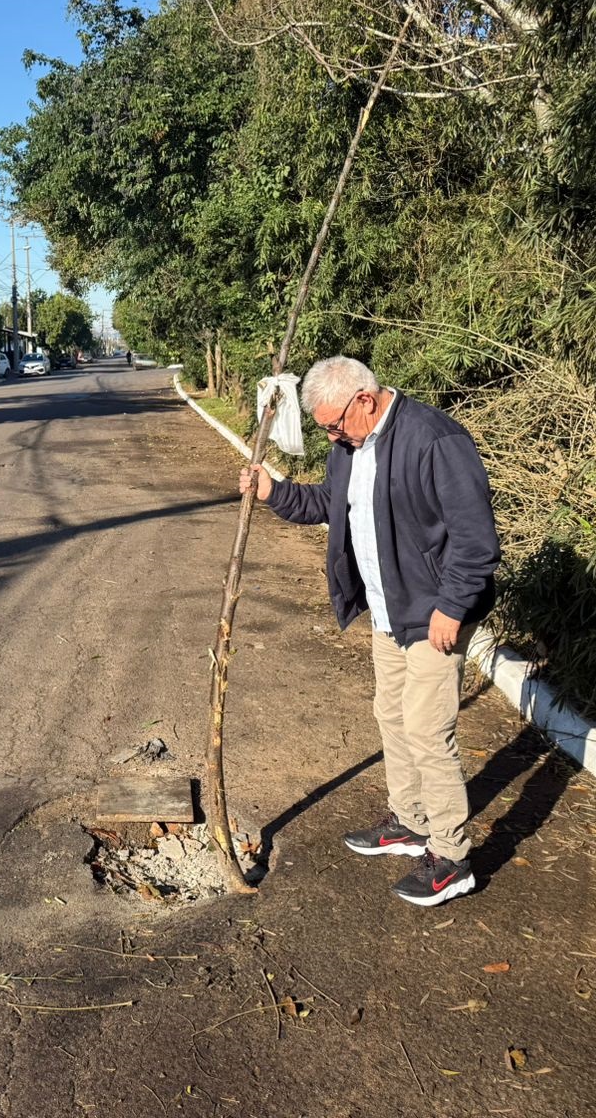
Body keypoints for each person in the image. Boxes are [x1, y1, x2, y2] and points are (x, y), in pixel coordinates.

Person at [240, 356, 500, 906]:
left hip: (434, 616)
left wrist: (452, 606)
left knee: (430, 732)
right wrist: (273, 491)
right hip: (389, 612)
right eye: (325, 428)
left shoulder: (434, 439)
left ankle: (453, 857)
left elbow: (476, 539)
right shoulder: (349, 449)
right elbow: (330, 506)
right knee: (392, 716)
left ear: (364, 399)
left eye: (335, 423)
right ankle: (410, 822)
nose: (332, 435)